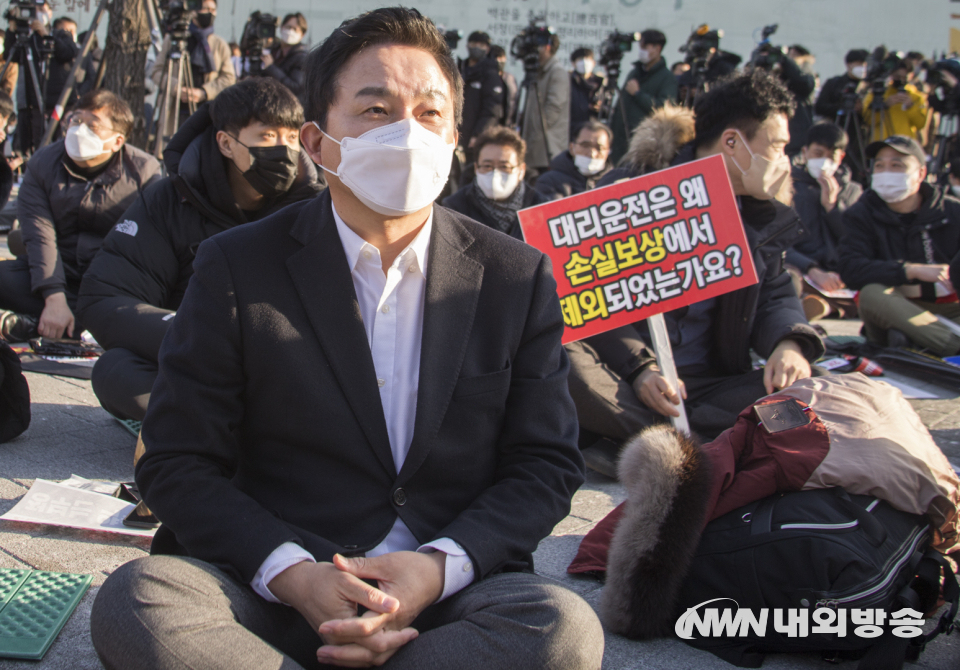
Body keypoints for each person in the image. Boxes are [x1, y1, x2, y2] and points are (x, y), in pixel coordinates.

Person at [89, 8, 603, 670]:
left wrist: (435, 570)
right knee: (139, 600)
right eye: (375, 110)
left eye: (429, 114)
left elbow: (545, 462)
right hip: (272, 593)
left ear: (455, 138)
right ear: (316, 140)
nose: (406, 134)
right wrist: (294, 574)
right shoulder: (237, 267)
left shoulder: (513, 276)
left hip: (441, 601)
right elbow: (176, 459)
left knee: (564, 629)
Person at [569, 70, 824, 476]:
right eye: (777, 146)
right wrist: (640, 368)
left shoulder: (760, 211)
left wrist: (788, 343)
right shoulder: (633, 190)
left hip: (712, 383)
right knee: (560, 359)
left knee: (808, 390)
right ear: (732, 142)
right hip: (623, 375)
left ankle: (640, 441)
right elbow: (586, 295)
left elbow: (776, 290)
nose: (784, 160)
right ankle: (702, 438)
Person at [77, 79, 324, 423]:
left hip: (285, 367)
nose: (284, 150)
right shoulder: (168, 201)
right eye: (267, 136)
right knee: (115, 371)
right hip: (195, 359)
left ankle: (217, 431)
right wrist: (197, 332)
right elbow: (104, 299)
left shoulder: (317, 210)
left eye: (291, 137)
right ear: (225, 142)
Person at [0, 90, 161, 342]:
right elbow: (39, 234)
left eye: (92, 125)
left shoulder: (145, 173)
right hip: (53, 272)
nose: (79, 130)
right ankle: (71, 325)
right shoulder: (43, 163)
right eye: (75, 121)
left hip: (111, 280)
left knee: (137, 309)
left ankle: (39, 326)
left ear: (118, 141)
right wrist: (53, 296)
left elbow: (146, 246)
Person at [839, 136, 960, 356]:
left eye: (897, 165)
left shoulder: (952, 212)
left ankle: (917, 344)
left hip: (950, 309)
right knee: (871, 293)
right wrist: (908, 270)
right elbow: (850, 269)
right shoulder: (860, 214)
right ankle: (951, 347)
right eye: (880, 166)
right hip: (895, 309)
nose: (887, 172)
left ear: (921, 173)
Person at [786, 122, 863, 321]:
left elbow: (854, 238)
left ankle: (822, 307)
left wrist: (832, 208)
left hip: (839, 273)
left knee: (866, 289)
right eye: (818, 154)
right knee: (787, 278)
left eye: (831, 156)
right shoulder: (790, 186)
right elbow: (781, 240)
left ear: (841, 158)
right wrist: (812, 268)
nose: (824, 162)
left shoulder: (852, 190)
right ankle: (821, 307)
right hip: (803, 267)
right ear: (805, 152)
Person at [443, 125, 548, 239]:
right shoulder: (454, 208)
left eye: (504, 166)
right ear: (476, 168)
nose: (495, 174)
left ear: (521, 170)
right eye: (487, 166)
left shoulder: (542, 208)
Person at [150, 0, 235, 124]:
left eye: (213, 10)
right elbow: (157, 72)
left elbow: (228, 78)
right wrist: (177, 89)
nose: (210, 13)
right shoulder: (172, 39)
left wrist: (204, 92)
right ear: (193, 10)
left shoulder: (219, 44)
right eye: (205, 9)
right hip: (176, 112)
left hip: (207, 112)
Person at [609, 30, 677, 165]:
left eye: (645, 47)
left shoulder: (667, 78)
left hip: (643, 142)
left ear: (657, 48)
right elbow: (621, 103)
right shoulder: (635, 72)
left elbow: (664, 109)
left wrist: (639, 94)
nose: (641, 51)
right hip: (620, 140)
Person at [815, 49, 869, 183]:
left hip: (859, 139)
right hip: (836, 131)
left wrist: (862, 109)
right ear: (849, 65)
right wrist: (841, 107)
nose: (862, 67)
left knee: (856, 174)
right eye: (859, 64)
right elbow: (820, 106)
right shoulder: (835, 83)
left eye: (865, 64)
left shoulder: (868, 87)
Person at [521, 30, 569, 177]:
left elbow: (553, 109)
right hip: (534, 148)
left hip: (546, 150)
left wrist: (535, 133)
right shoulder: (537, 71)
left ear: (547, 47)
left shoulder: (557, 72)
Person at [534, 120, 612, 200]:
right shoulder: (548, 182)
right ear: (572, 148)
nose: (592, 154)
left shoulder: (614, 182)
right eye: (585, 146)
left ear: (608, 151)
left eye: (599, 148)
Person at [861, 58, 929, 143]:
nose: (901, 80)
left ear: (911, 76)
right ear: (892, 74)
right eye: (898, 77)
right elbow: (868, 121)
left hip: (905, 144)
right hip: (881, 142)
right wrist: (884, 105)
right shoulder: (877, 94)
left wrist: (911, 107)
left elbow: (920, 125)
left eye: (904, 77)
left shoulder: (917, 97)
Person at [458, 31, 503, 155]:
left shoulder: (490, 73)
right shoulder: (459, 69)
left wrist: (479, 134)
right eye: (474, 43)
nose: (477, 47)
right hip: (455, 134)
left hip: (474, 139)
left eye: (481, 45)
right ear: (467, 45)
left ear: (487, 49)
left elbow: (492, 110)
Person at [260, 13, 308, 98]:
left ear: (302, 35)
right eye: (288, 27)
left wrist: (271, 67)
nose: (290, 32)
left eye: (295, 29)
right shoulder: (273, 50)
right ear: (281, 28)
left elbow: (295, 87)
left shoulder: (302, 57)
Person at [568, 47, 603, 139]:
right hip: (572, 131)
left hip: (594, 131)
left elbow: (609, 111)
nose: (584, 63)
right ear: (573, 64)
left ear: (593, 63)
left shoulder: (601, 84)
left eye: (587, 59)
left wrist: (601, 108)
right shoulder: (568, 82)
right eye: (580, 59)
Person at [489, 45, 517, 126]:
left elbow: (514, 100)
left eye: (501, 58)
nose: (499, 61)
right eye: (496, 57)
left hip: (506, 123)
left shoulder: (510, 79)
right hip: (490, 123)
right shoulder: (485, 78)